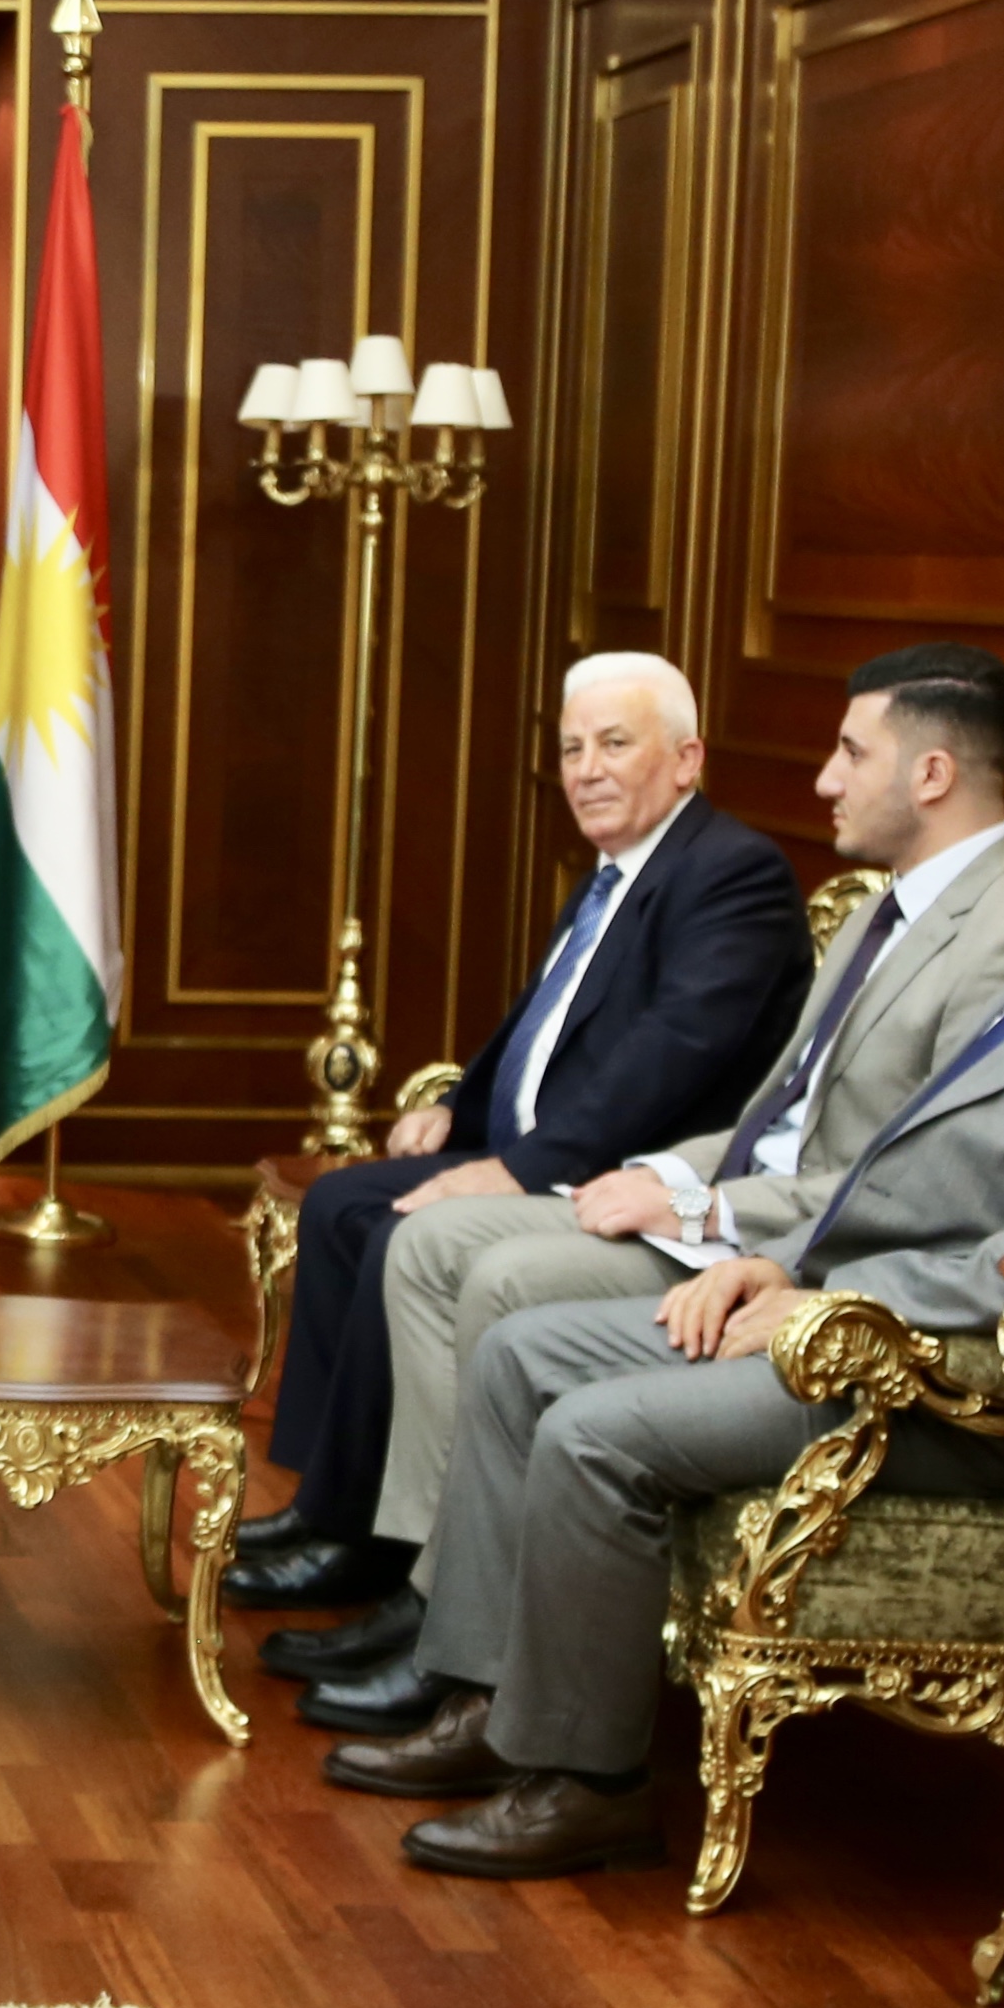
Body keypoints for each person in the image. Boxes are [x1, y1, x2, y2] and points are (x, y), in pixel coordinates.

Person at [335, 691, 1004, 1879]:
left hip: (985, 1391)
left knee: (597, 1431)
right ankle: (490, 1706)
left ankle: (583, 1784)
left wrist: (843, 1306)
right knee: (520, 1353)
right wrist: (779, 1261)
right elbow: (915, 1164)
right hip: (856, 1308)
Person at [283, 644, 1004, 1728]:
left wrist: (704, 1208)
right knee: (409, 1237)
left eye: (849, 753)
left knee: (485, 1270)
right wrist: (665, 1174)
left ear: (929, 774)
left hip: (805, 1264)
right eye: (573, 747)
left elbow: (901, 1179)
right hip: (730, 1201)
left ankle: (442, 1622)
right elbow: (773, 1115)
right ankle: (425, 1588)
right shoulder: (894, 907)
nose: (825, 780)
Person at [225, 652, 808, 1613]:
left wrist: (511, 1169)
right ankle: (331, 1505)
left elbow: (670, 1056)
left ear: (686, 759)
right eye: (572, 748)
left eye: (615, 744)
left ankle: (373, 1539)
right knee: (336, 1202)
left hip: (623, 1174)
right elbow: (545, 1019)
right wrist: (460, 1101)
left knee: (388, 1228)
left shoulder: (730, 874)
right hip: (540, 1148)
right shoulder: (613, 872)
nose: (585, 768)